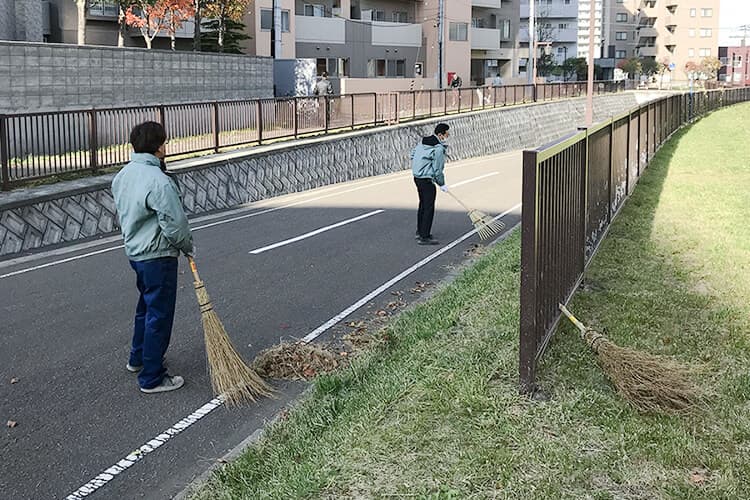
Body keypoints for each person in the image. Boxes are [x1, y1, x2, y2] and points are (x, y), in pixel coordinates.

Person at [112, 121, 194, 394]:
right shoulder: (159, 181)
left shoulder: (123, 175)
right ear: (159, 147)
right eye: (164, 143)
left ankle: (138, 358)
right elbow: (174, 224)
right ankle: (152, 377)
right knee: (158, 313)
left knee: (145, 308)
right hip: (158, 255)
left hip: (135, 253)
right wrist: (186, 246)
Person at [411, 123, 450, 245]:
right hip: (427, 180)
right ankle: (425, 237)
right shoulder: (438, 149)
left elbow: (412, 155)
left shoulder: (422, 143)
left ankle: (420, 231)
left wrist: (420, 166)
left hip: (417, 178)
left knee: (422, 205)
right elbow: (438, 170)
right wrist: (442, 184)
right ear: (440, 134)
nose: (448, 135)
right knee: (429, 208)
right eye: (447, 133)